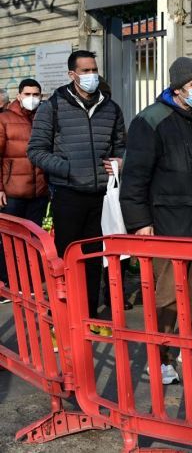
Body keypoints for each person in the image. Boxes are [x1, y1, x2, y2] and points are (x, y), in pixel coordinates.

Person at [120, 57, 192, 385]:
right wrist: (140, 221)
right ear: (177, 88)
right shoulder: (151, 121)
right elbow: (135, 177)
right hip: (169, 222)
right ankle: (159, 358)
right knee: (168, 293)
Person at [28, 50, 126, 332]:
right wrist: (68, 169)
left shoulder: (111, 108)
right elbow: (35, 150)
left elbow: (122, 146)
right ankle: (63, 319)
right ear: (72, 74)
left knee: (93, 259)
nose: (91, 75)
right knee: (67, 258)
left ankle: (89, 317)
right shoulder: (53, 107)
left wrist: (120, 161)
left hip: (100, 196)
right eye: (85, 71)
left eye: (94, 69)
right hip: (67, 194)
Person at [0, 79, 49, 303]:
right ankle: (7, 284)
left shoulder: (43, 118)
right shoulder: (4, 119)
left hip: (38, 191)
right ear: (19, 95)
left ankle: (28, 283)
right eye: (28, 94)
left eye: (36, 94)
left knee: (32, 240)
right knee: (9, 240)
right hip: (12, 191)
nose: (32, 98)